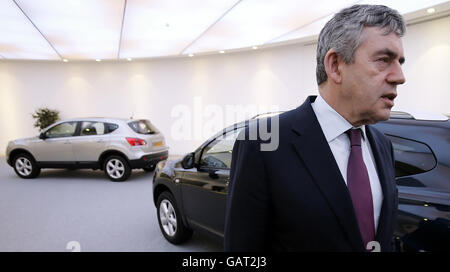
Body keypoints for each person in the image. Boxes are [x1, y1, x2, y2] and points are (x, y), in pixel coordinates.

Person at [224, 4, 406, 252]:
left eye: (400, 62)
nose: (400, 76)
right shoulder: (262, 142)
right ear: (335, 66)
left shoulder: (383, 144)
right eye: (384, 60)